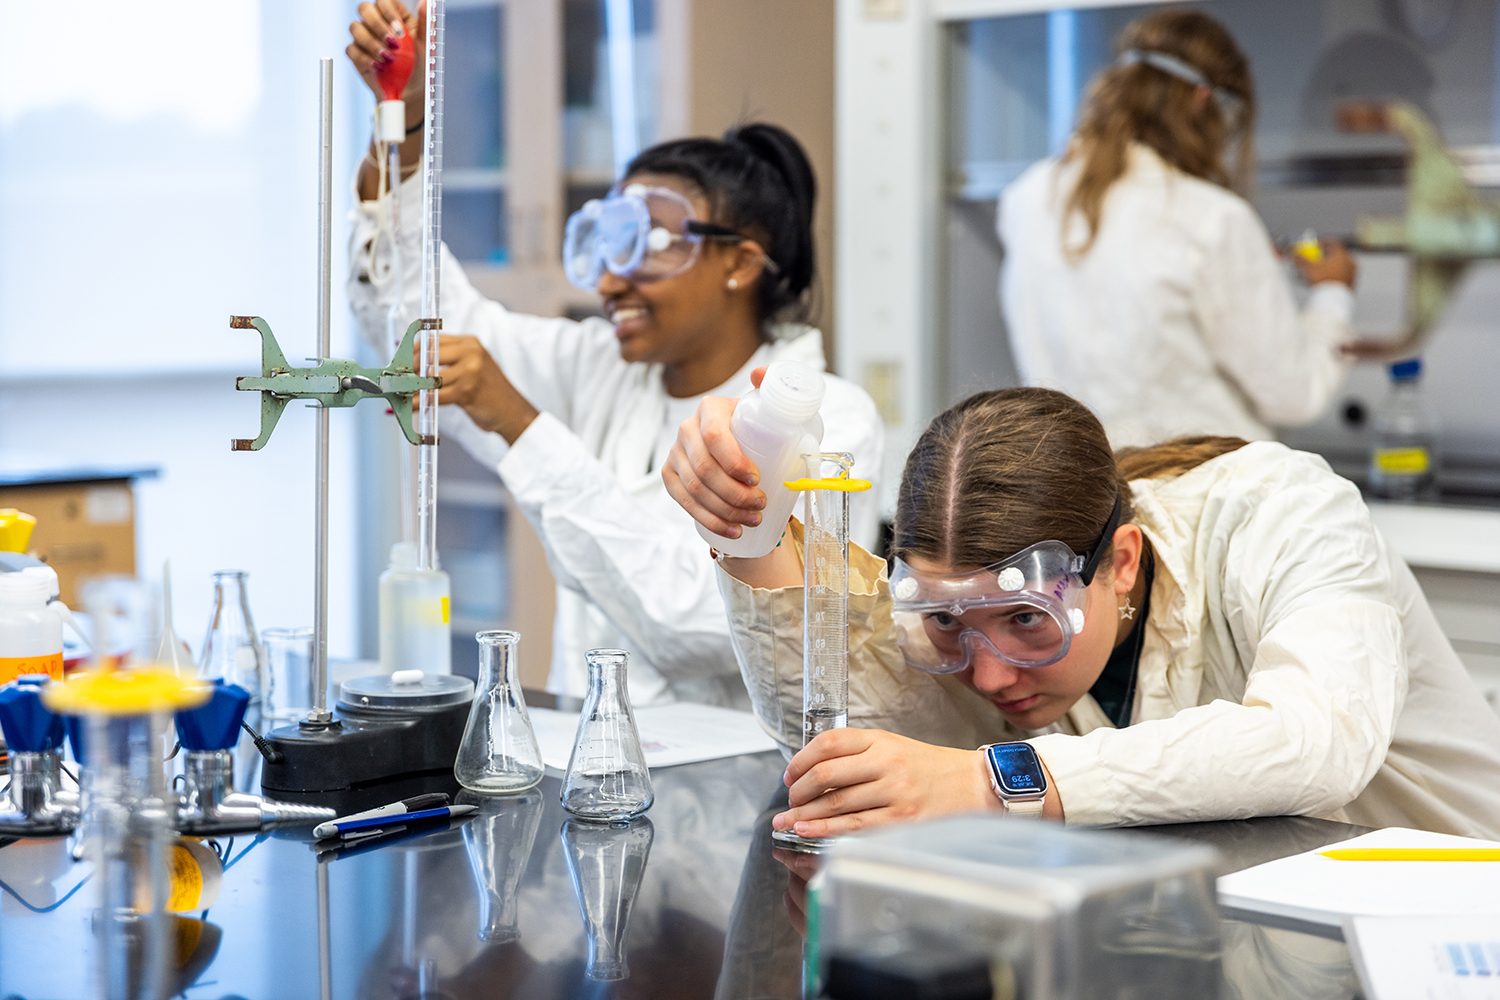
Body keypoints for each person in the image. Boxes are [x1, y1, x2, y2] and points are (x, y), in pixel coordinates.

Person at [663, 382, 1500, 839]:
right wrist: (747, 522)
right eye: (949, 623)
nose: (990, 675)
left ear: (1121, 562)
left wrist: (992, 780)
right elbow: (858, 731)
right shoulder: (993, 645)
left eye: (1028, 620)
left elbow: (1314, 745)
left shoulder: (1283, 510)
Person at [344, 1, 882, 706]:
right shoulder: (600, 367)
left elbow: (697, 624)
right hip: (588, 758)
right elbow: (414, 323)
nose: (606, 281)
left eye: (642, 246)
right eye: (604, 245)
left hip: (743, 778)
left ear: (740, 263)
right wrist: (406, 123)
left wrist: (519, 423)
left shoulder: (828, 425)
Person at [998, 10, 1358, 448]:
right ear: (1205, 101)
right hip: (1208, 502)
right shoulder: (1212, 219)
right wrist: (1333, 293)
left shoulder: (1027, 199)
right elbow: (1296, 394)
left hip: (1092, 499)